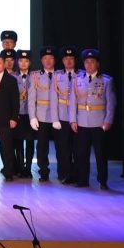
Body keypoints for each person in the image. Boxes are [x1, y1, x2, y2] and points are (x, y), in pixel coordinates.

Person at [70, 49, 116, 189]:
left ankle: (102, 181)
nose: (89, 65)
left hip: (99, 122)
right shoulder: (77, 79)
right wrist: (73, 120)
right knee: (81, 153)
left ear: (97, 64)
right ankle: (82, 180)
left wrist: (108, 120)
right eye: (87, 62)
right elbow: (73, 101)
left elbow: (111, 103)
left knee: (100, 154)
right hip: (82, 121)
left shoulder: (106, 80)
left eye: (92, 62)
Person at [28, 46, 60, 182]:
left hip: (59, 116)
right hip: (41, 115)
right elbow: (31, 99)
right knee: (42, 147)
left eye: (51, 58)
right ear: (41, 60)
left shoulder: (61, 75)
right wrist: (32, 117)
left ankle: (63, 172)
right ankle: (43, 172)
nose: (48, 61)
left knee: (61, 146)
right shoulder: (35, 76)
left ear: (55, 60)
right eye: (45, 58)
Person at [54, 46, 78, 184]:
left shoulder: (81, 75)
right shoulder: (57, 76)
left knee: (77, 148)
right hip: (62, 116)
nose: (68, 61)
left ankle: (77, 174)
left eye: (71, 58)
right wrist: (55, 118)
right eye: (66, 59)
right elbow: (53, 99)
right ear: (62, 61)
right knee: (62, 147)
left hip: (78, 118)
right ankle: (64, 173)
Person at [11, 49, 35, 178]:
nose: (23, 63)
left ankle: (28, 168)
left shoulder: (35, 76)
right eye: (21, 60)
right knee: (18, 142)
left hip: (31, 115)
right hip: (18, 114)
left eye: (26, 61)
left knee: (30, 142)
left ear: (30, 62)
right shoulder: (12, 77)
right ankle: (20, 168)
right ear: (17, 62)